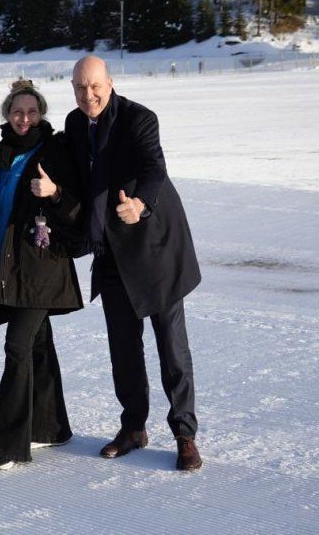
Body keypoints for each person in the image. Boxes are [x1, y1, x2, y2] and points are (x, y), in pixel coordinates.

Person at [64, 55, 203, 471]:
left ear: (109, 82)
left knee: (171, 346)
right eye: (79, 88)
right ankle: (133, 427)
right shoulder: (74, 125)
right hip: (110, 249)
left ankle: (184, 432)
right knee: (123, 349)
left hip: (152, 247)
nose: (88, 96)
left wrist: (140, 204)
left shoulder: (139, 119)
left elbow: (154, 168)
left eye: (94, 87)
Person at [0, 80, 84, 471]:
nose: (25, 119)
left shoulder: (57, 151)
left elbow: (78, 212)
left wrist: (53, 192)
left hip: (42, 267)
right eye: (18, 112)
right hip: (6, 267)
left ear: (42, 114)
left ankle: (6, 444)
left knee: (17, 346)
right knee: (37, 344)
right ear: (7, 114)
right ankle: (51, 427)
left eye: (32, 112)